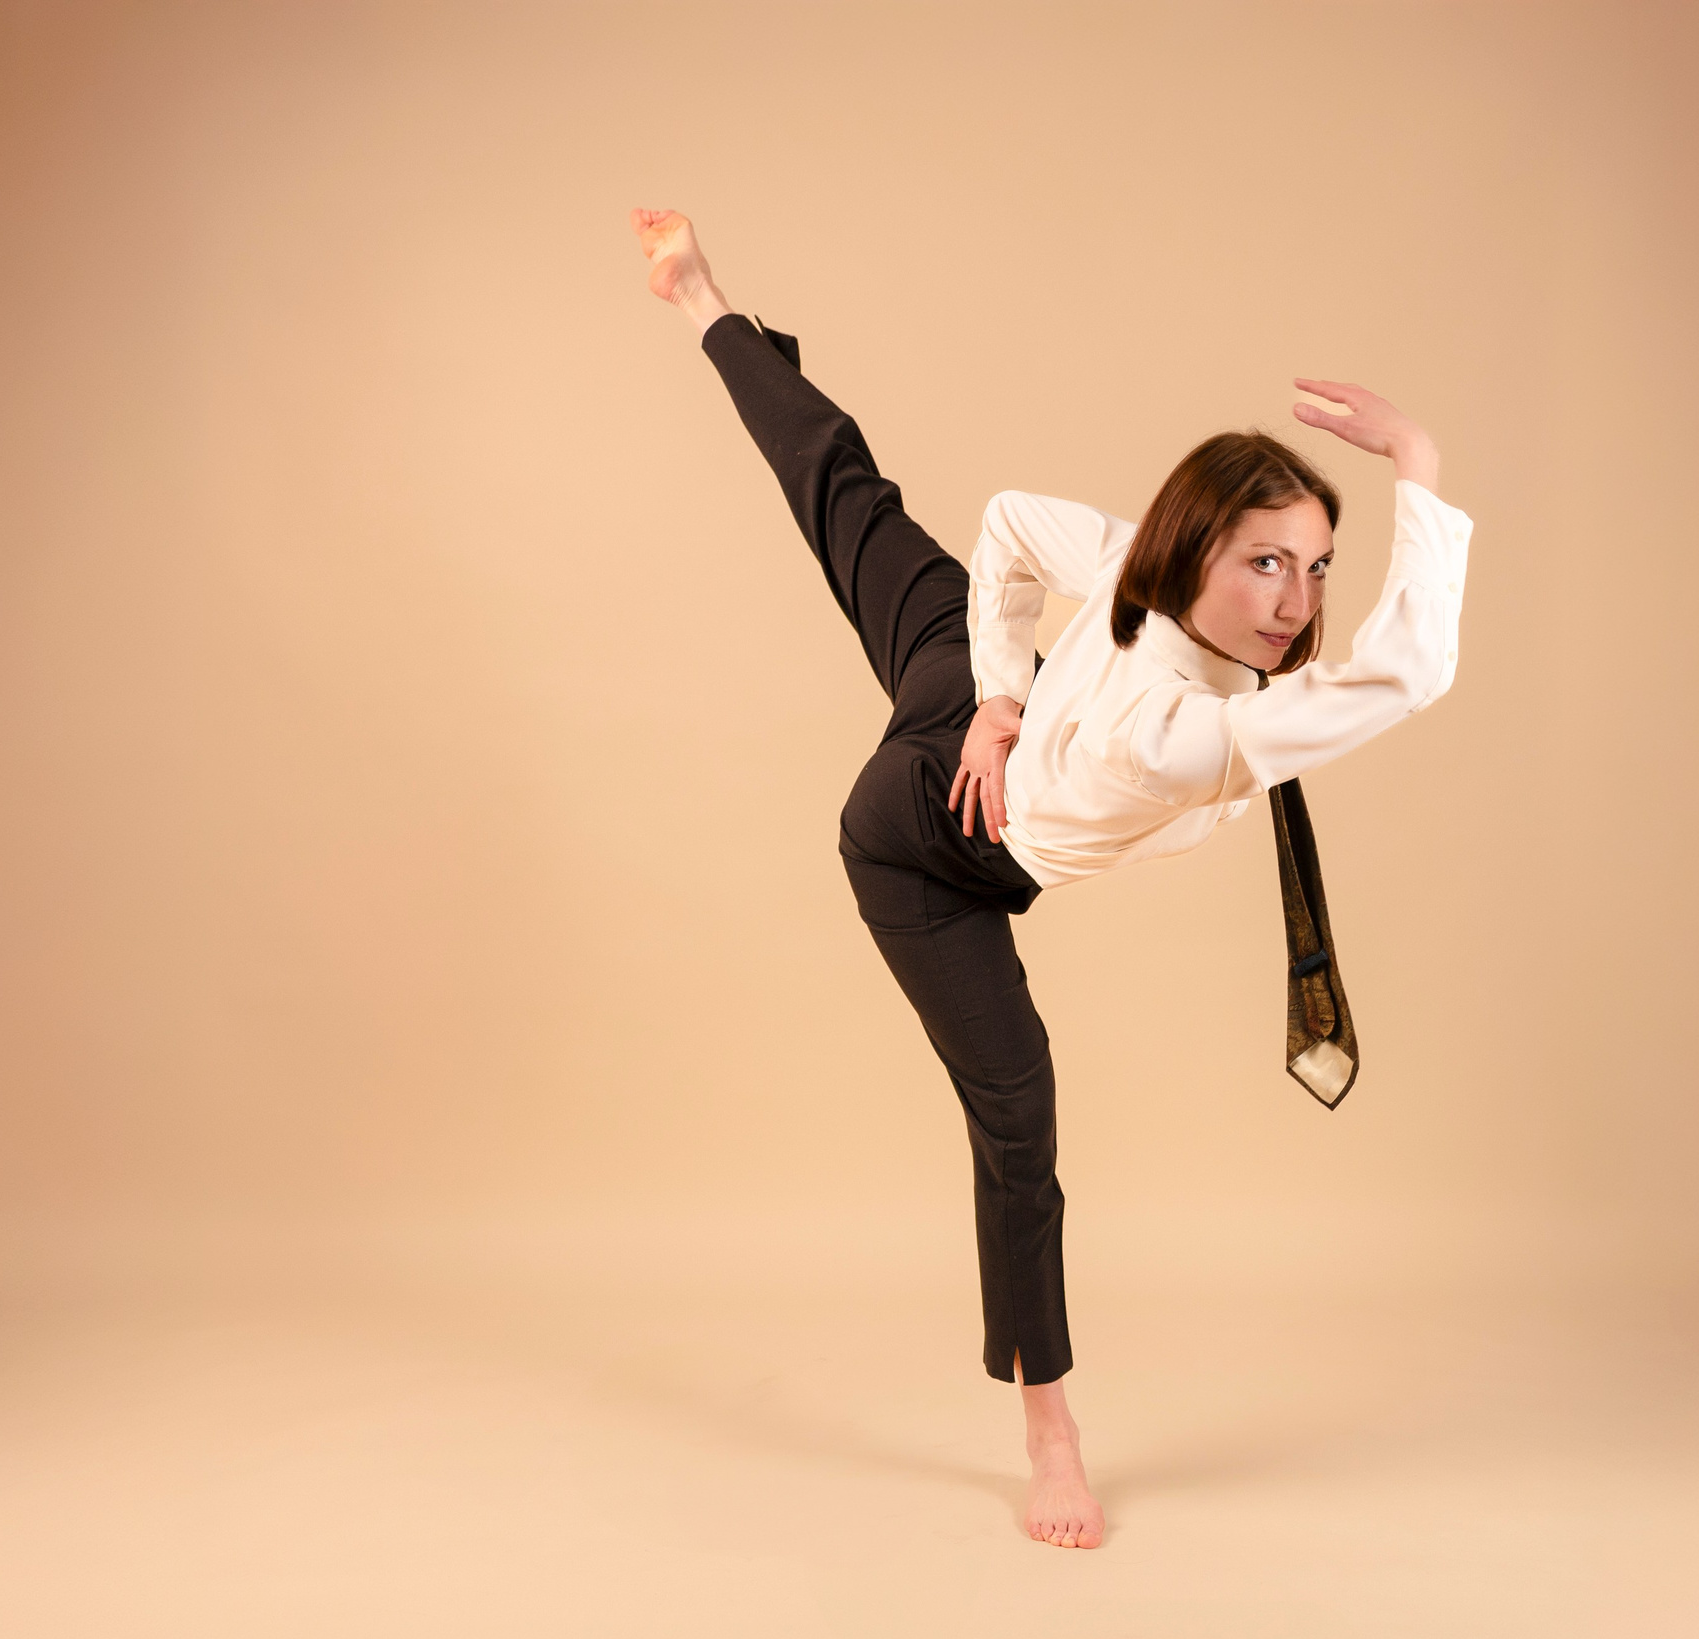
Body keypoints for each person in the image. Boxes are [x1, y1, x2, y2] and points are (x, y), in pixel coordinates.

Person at [629, 208, 1474, 1549]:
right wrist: (999, 704)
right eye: (1266, 561)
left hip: (968, 709)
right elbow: (1406, 672)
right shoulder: (1180, 730)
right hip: (926, 842)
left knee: (853, 499)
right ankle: (1051, 1433)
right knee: (1020, 1129)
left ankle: (702, 305)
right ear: (1193, 553)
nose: (1297, 599)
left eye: (1315, 566)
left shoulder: (1161, 590)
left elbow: (1016, 525)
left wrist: (995, 693)